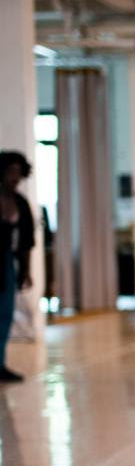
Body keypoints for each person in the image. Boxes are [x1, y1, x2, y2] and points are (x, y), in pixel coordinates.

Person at [0, 151, 35, 383]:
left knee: (5, 314)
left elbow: (26, 242)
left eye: (18, 173)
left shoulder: (20, 203)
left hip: (7, 263)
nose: (14, 177)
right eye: (10, 172)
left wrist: (26, 271)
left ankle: (0, 364)